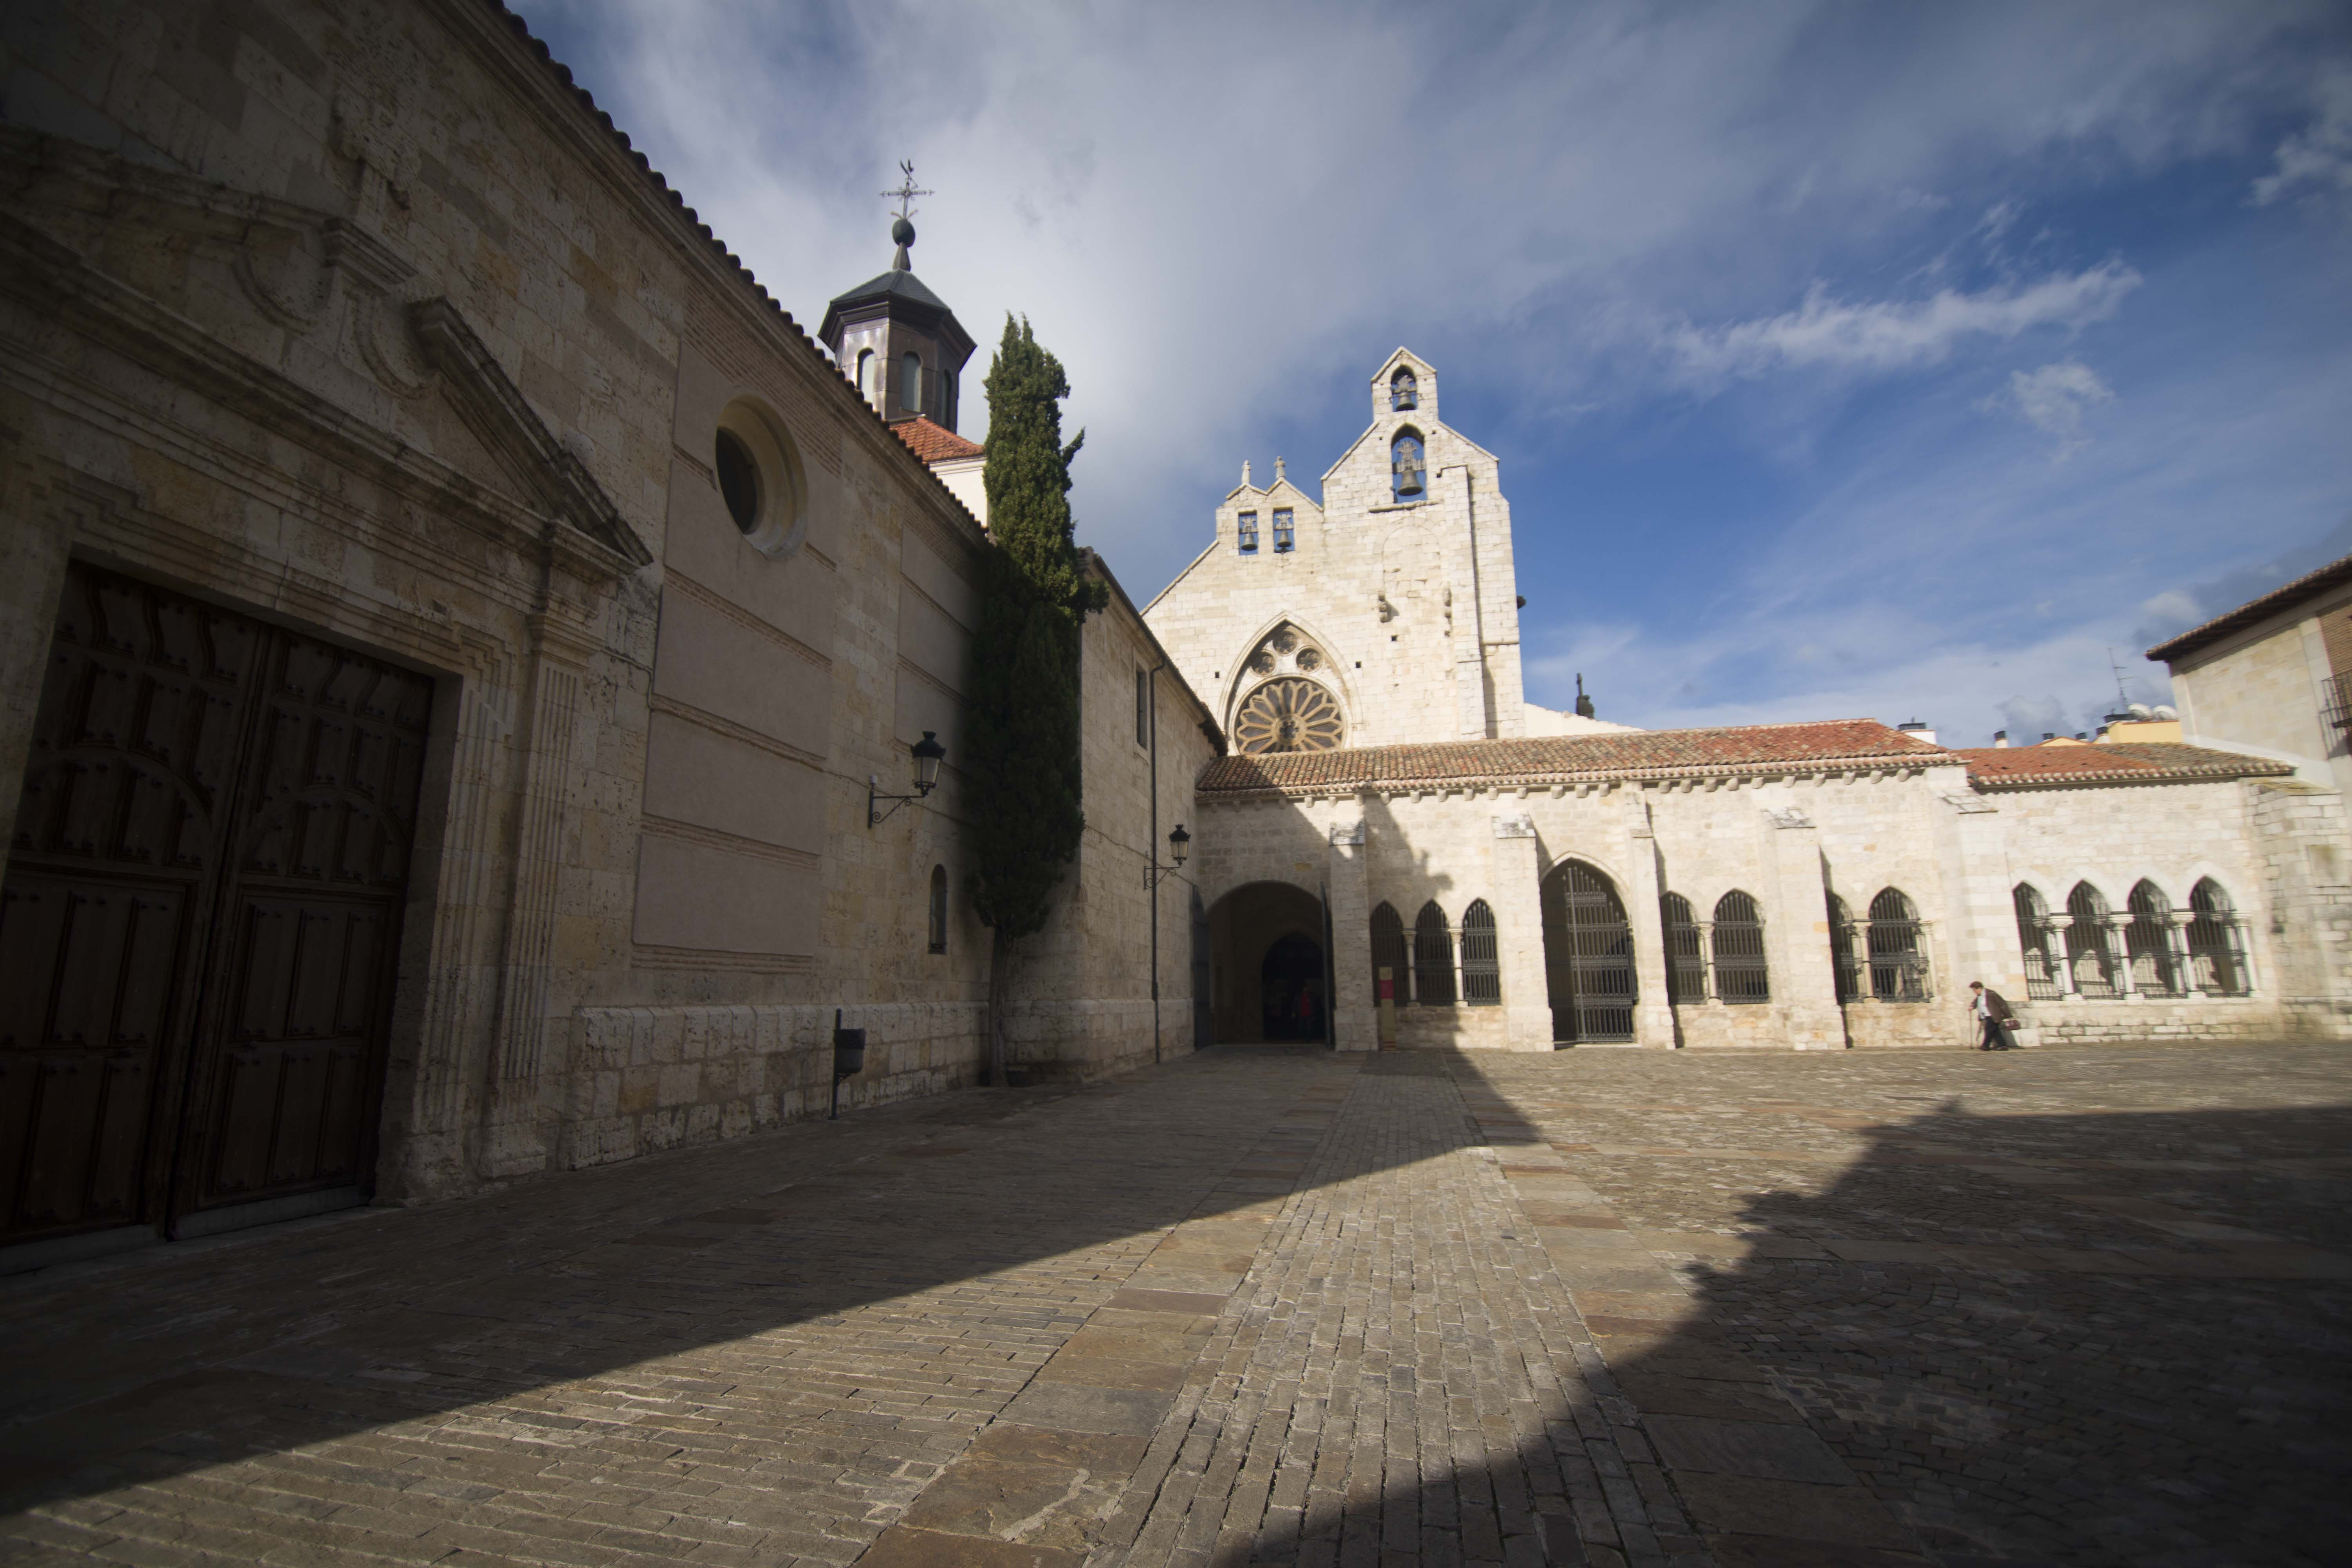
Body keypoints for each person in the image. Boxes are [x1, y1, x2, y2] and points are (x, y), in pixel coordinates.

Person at [1967, 981, 2019, 1050]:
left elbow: (2002, 1004)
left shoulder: (1991, 994)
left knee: (1988, 1029)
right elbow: (1976, 1002)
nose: (1974, 992)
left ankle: (1986, 1045)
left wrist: (2007, 1015)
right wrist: (1972, 1007)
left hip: (1994, 1015)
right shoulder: (1980, 996)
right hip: (1987, 1016)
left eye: (1975, 990)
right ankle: (2003, 1045)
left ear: (1979, 988)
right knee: (1995, 1031)